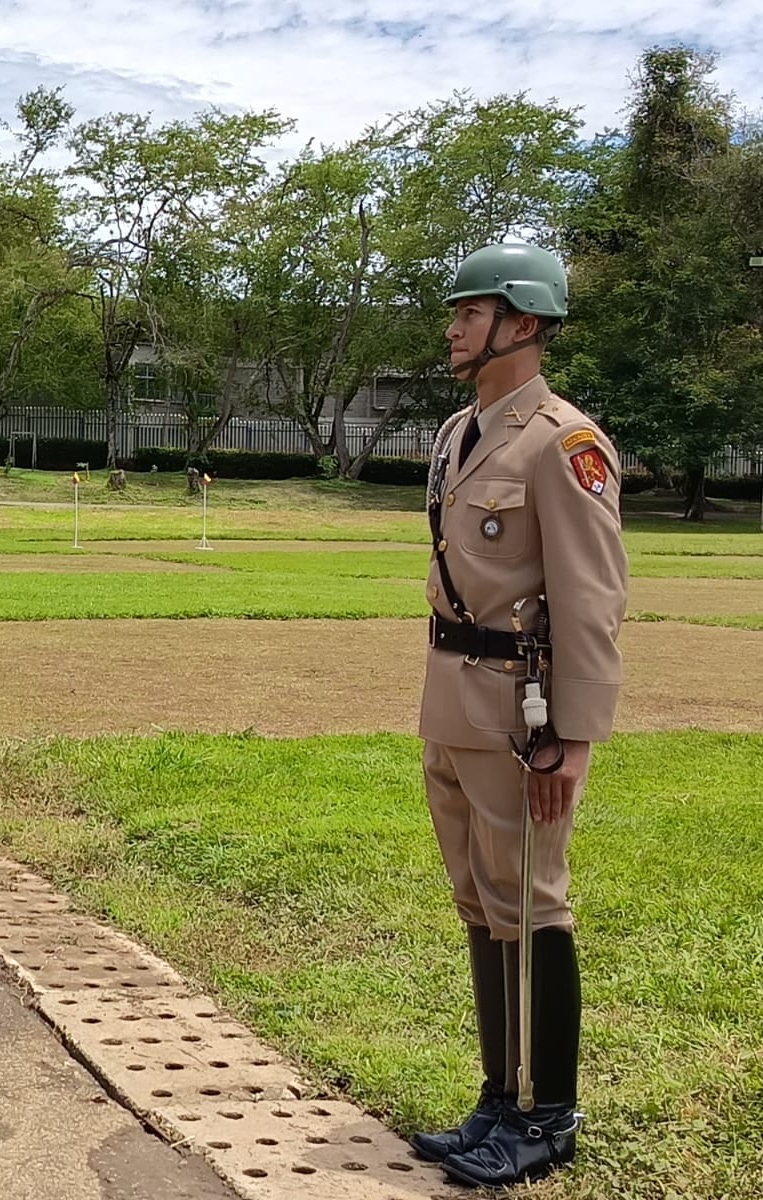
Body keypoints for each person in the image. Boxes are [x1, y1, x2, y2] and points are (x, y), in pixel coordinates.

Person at [410, 243, 629, 1187]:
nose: (453, 327)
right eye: (456, 312)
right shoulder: (458, 432)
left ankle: (547, 1115)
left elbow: (592, 598)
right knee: (480, 900)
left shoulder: (562, 443)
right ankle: (500, 1099)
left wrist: (573, 737)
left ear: (524, 322)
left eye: (471, 311)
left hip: (520, 714)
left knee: (531, 900)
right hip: (451, 700)